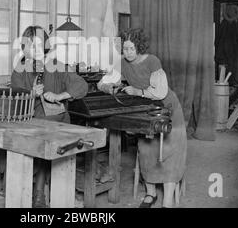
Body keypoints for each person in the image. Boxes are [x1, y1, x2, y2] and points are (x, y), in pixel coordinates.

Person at [97, 28, 187, 208]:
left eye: (131, 49)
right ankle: (150, 193)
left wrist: (137, 91)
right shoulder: (121, 63)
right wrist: (111, 87)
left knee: (170, 148)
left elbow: (160, 91)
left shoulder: (152, 61)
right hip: (146, 109)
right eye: (124, 49)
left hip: (167, 107)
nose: (127, 53)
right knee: (145, 149)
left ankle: (167, 199)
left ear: (139, 47)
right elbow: (102, 83)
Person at [11, 25, 88, 207]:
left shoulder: (56, 66)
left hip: (56, 124)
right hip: (29, 123)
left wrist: (61, 96)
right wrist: (31, 93)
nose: (34, 50)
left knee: (48, 147)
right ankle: (30, 192)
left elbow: (81, 85)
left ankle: (39, 195)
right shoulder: (20, 69)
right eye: (29, 45)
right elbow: (14, 97)